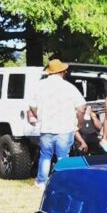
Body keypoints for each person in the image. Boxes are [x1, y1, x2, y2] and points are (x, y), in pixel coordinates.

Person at [28, 59, 85, 187]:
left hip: (46, 127)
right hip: (65, 127)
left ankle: (41, 181)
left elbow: (32, 105)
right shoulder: (69, 87)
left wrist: (38, 115)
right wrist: (80, 122)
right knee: (63, 157)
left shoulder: (40, 85)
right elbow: (81, 108)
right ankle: (62, 182)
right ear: (62, 72)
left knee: (45, 156)